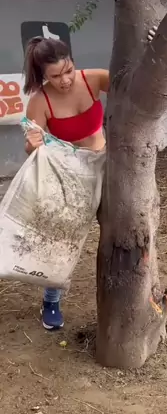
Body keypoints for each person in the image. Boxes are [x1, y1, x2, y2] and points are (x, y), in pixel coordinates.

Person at [23, 36, 109, 331]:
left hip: (105, 165)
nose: (66, 80)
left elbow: (136, 85)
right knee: (62, 241)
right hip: (70, 176)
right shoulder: (40, 101)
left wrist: (150, 46)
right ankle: (51, 300)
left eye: (68, 70)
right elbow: (31, 147)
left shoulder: (94, 79)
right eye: (55, 76)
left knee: (120, 229)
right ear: (43, 75)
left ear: (73, 62)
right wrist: (33, 143)